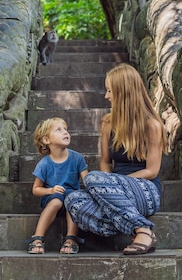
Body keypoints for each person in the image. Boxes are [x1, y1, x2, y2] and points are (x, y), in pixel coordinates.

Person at [64, 63, 168, 255]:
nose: (106, 96)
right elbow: (105, 161)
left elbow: (152, 170)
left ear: (124, 92)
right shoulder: (107, 123)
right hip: (114, 192)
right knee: (72, 199)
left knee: (92, 178)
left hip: (146, 190)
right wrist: (108, 186)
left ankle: (143, 231)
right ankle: (133, 226)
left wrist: (111, 184)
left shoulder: (152, 125)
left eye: (110, 90)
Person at [25, 117, 89, 254]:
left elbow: (88, 181)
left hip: (72, 200)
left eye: (66, 129)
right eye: (59, 130)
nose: (65, 132)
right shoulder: (44, 163)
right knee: (56, 201)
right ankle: (37, 238)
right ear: (46, 140)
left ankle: (71, 239)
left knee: (73, 199)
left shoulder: (77, 158)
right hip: (52, 199)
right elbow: (36, 189)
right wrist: (50, 190)